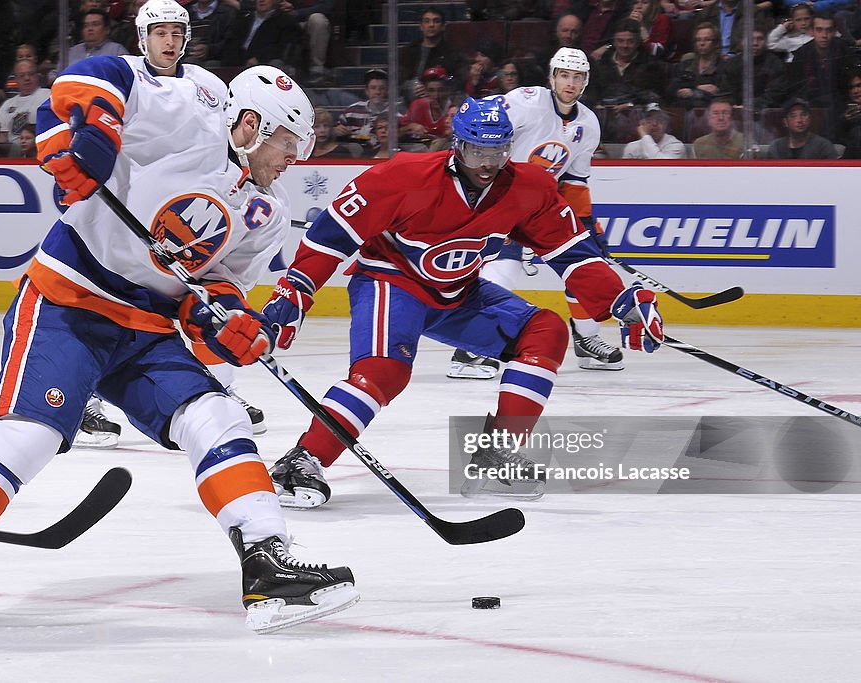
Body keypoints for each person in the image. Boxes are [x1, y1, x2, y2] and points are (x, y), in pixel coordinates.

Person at [0, 0, 356, 635]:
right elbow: (90, 81)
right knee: (30, 435)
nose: (295, 159)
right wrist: (91, 134)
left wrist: (229, 323)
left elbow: (214, 286)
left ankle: (267, 567)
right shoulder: (191, 112)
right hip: (68, 301)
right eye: (289, 145)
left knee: (216, 413)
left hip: (146, 325)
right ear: (252, 127)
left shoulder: (266, 210)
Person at [262, 96, 664, 509]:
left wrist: (618, 297)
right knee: (384, 372)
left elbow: (571, 251)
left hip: (459, 291)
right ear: (457, 146)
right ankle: (304, 459)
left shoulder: (528, 187)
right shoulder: (403, 176)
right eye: (477, 151)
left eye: (498, 152)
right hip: (392, 280)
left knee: (546, 332)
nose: (488, 164)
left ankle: (496, 456)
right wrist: (297, 288)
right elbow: (333, 233)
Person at [447, 48, 621, 379]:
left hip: (538, 205)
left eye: (577, 77)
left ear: (585, 82)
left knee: (583, 265)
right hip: (497, 197)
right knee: (504, 270)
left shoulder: (588, 123)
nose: (570, 83)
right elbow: (481, 130)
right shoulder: (527, 102)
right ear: (552, 77)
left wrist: (586, 225)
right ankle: (468, 351)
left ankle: (587, 338)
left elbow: (574, 180)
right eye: (564, 75)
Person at [0, 58, 51, 145]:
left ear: (37, 76)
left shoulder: (49, 96)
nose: (27, 78)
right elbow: (2, 136)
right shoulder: (7, 105)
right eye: (22, 75)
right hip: (14, 154)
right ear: (16, 79)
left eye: (31, 74)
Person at [335, 68, 391, 149]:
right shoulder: (352, 111)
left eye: (381, 88)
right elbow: (335, 131)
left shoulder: (395, 112)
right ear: (367, 91)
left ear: (387, 91)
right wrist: (337, 131)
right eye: (373, 88)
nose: (377, 92)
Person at [767, 97, 839, 157]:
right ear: (786, 122)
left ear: (810, 118)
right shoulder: (776, 147)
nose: (800, 120)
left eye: (803, 114)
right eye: (793, 116)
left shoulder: (823, 146)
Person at [837, 72, 861, 158]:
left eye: (859, 86)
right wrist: (844, 120)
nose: (855, 91)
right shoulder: (840, 109)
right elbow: (830, 136)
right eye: (851, 88)